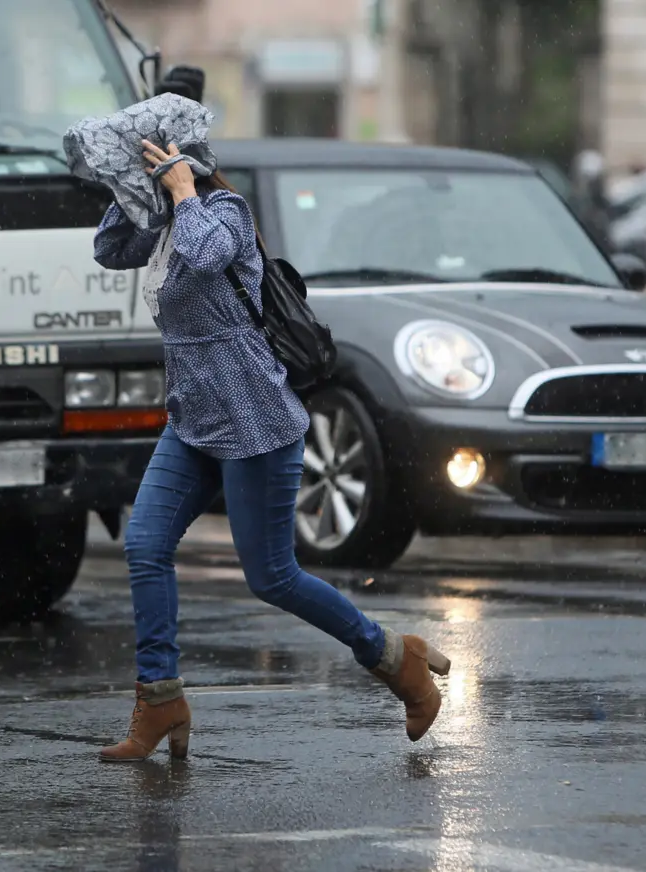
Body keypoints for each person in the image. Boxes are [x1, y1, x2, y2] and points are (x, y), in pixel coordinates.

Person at [93, 139, 452, 762]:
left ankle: (396, 658)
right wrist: (129, 189)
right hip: (194, 419)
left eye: (156, 158)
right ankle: (160, 698)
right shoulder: (161, 223)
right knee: (144, 546)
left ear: (186, 161)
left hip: (254, 419)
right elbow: (108, 249)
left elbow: (207, 256)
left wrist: (185, 191)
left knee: (273, 578)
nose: (152, 171)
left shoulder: (223, 212)